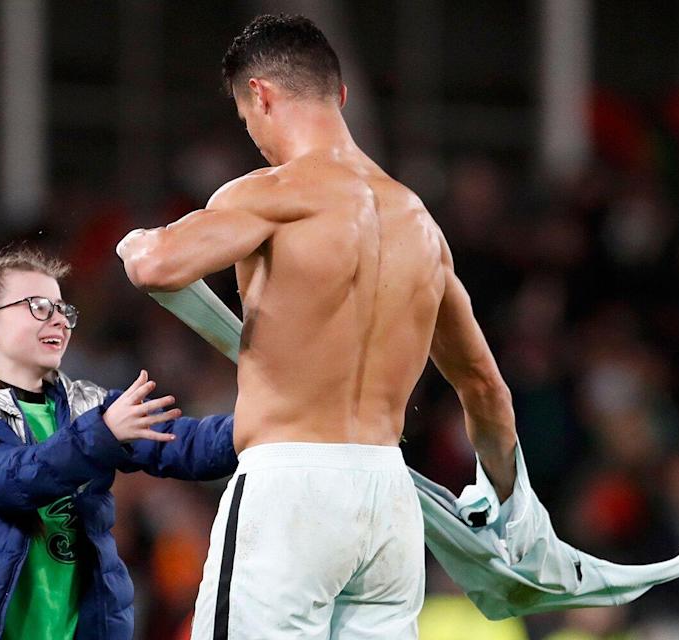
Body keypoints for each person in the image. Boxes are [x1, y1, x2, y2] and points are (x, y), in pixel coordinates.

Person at [117, 14, 518, 639]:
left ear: (261, 95)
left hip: (291, 487)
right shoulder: (421, 227)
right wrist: (507, 505)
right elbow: (487, 392)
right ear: (342, 96)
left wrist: (137, 241)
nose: (252, 134)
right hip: (388, 500)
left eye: (246, 117)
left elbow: (155, 268)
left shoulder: (272, 193)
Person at [0, 247, 237, 640]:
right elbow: (8, 480)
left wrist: (267, 425)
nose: (59, 319)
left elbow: (185, 445)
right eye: (38, 307)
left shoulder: (84, 405)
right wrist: (102, 435)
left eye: (63, 310)